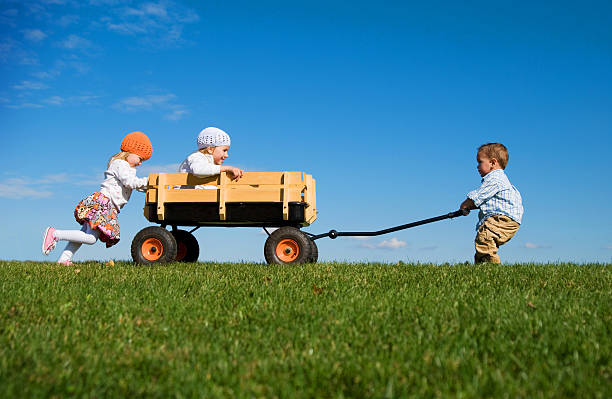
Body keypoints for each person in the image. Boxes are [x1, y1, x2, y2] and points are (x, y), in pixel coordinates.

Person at [42, 131, 153, 265]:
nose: (141, 163)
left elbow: (135, 184)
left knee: (83, 234)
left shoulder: (125, 167)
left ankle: (64, 259)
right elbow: (130, 182)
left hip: (107, 206)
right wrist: (150, 181)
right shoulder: (120, 164)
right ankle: (55, 234)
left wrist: (149, 187)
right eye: (141, 159)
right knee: (90, 238)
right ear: (131, 152)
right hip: (103, 204)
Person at [460, 143, 523, 264]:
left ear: (493, 163)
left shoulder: (495, 178)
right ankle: (480, 267)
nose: (477, 166)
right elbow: (481, 201)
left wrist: (465, 205)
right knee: (483, 242)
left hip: (502, 218)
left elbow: (478, 196)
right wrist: (470, 207)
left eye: (480, 162)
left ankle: (492, 269)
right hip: (507, 219)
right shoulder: (500, 180)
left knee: (485, 238)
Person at [178, 126, 244, 188]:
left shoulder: (210, 166)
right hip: (185, 197)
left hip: (198, 197)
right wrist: (227, 168)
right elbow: (199, 170)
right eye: (224, 150)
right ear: (210, 149)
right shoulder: (196, 157)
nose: (227, 155)